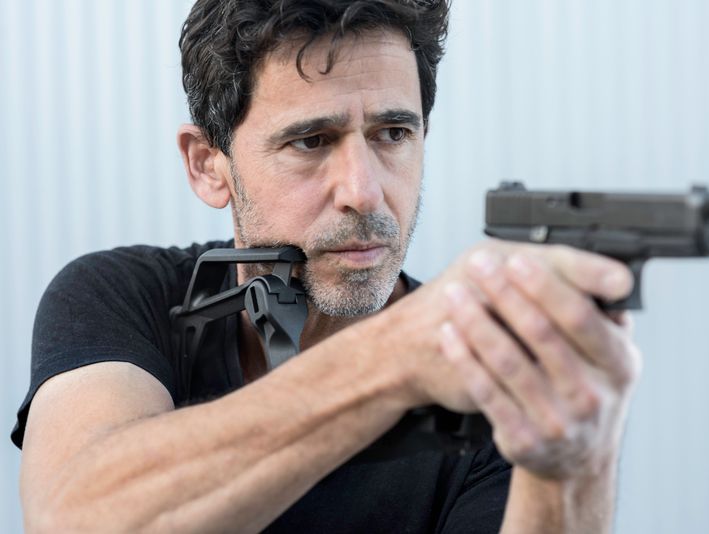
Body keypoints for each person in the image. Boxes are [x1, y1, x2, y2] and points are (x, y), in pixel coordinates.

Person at [13, 0, 641, 532]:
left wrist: (573, 469)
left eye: (393, 133)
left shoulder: (490, 376)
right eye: (310, 141)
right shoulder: (126, 297)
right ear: (208, 165)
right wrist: (395, 362)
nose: (364, 192)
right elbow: (74, 517)